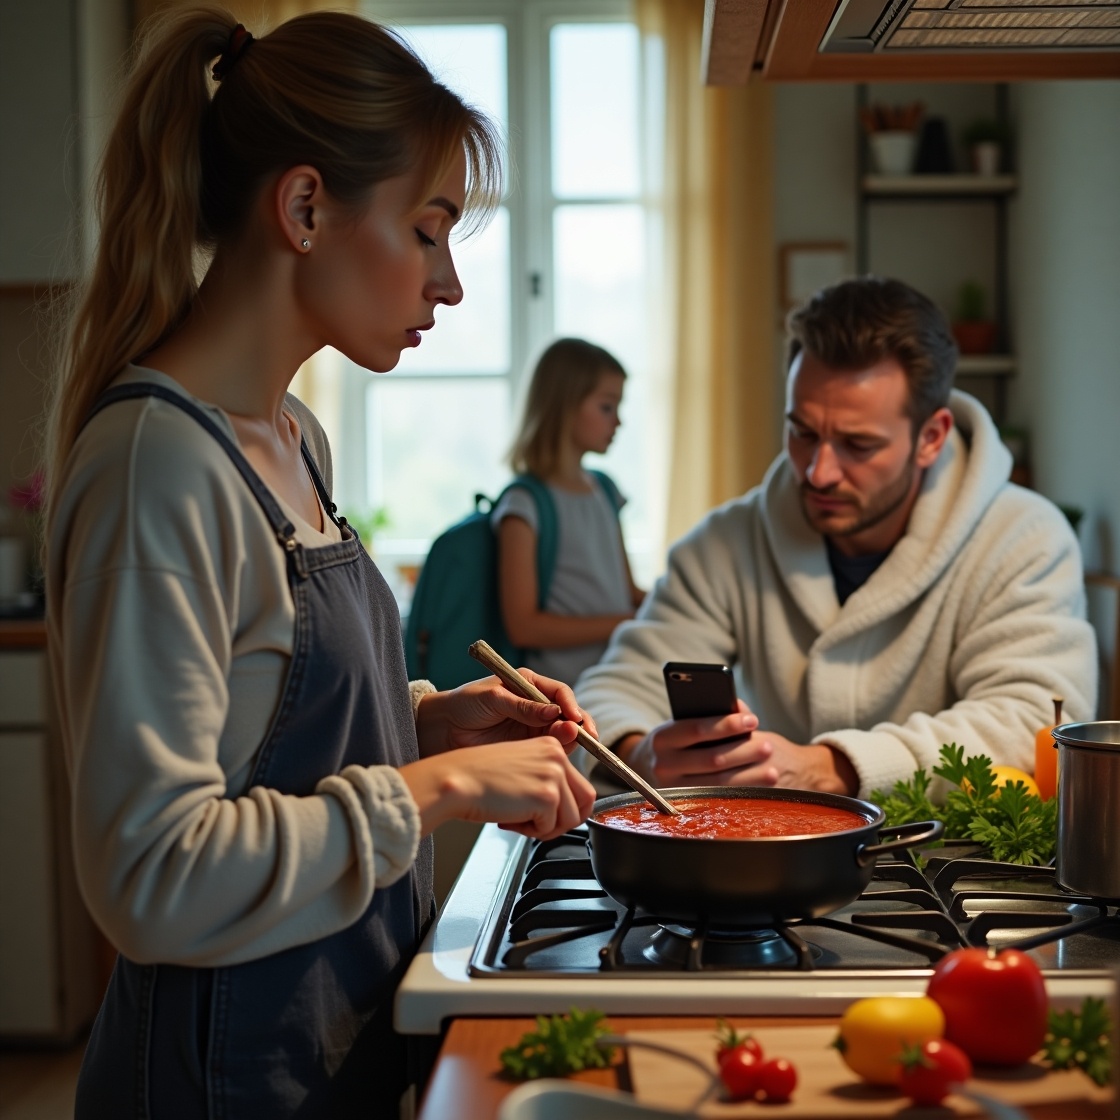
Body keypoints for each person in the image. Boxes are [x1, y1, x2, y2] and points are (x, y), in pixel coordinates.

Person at [44, 8, 596, 1118]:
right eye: (429, 231)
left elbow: (265, 731)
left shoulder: (294, 438)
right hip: (218, 1079)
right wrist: (432, 787)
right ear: (303, 208)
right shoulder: (159, 465)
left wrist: (427, 718)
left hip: (325, 1042)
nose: (448, 285)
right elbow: (154, 878)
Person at [576, 277, 1097, 798]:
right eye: (803, 433)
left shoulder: (1025, 538)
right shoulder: (725, 542)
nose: (818, 472)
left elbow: (1039, 722)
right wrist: (640, 753)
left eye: (858, 444)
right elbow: (613, 690)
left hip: (959, 867)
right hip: (770, 863)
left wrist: (835, 769)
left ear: (930, 438)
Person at [493, 338, 645, 685]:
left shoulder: (606, 490)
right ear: (564, 406)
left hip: (616, 678)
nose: (618, 422)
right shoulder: (524, 504)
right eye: (607, 407)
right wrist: (626, 622)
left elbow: (628, 590)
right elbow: (524, 626)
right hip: (560, 692)